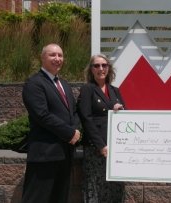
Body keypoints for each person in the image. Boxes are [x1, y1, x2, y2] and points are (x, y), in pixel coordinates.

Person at [21, 43, 81, 203]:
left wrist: (76, 130)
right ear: (42, 58)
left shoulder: (65, 85)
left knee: (59, 198)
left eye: (60, 55)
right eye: (52, 55)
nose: (57, 58)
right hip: (44, 155)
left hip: (65, 153)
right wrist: (69, 133)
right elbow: (42, 115)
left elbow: (73, 112)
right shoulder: (34, 83)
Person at [77, 54, 125, 203]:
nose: (101, 68)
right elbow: (86, 118)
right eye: (96, 65)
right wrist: (101, 145)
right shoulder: (87, 90)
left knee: (115, 186)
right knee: (95, 186)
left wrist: (121, 110)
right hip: (96, 148)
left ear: (109, 68)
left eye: (104, 65)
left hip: (115, 148)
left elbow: (126, 115)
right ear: (91, 70)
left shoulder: (115, 90)